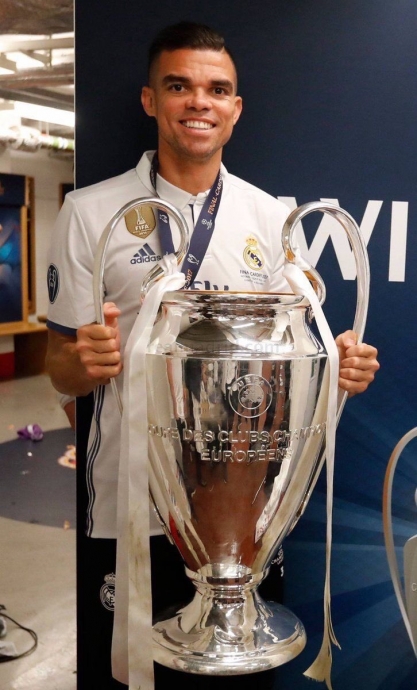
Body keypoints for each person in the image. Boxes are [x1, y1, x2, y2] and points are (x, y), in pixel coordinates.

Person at [45, 21, 380, 690]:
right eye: (179, 86)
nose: (199, 102)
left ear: (235, 108)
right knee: (130, 676)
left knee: (238, 678)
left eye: (216, 89)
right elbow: (59, 367)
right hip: (131, 500)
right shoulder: (90, 211)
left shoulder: (270, 220)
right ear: (151, 100)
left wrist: (337, 367)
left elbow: (294, 359)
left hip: (240, 508)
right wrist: (87, 361)